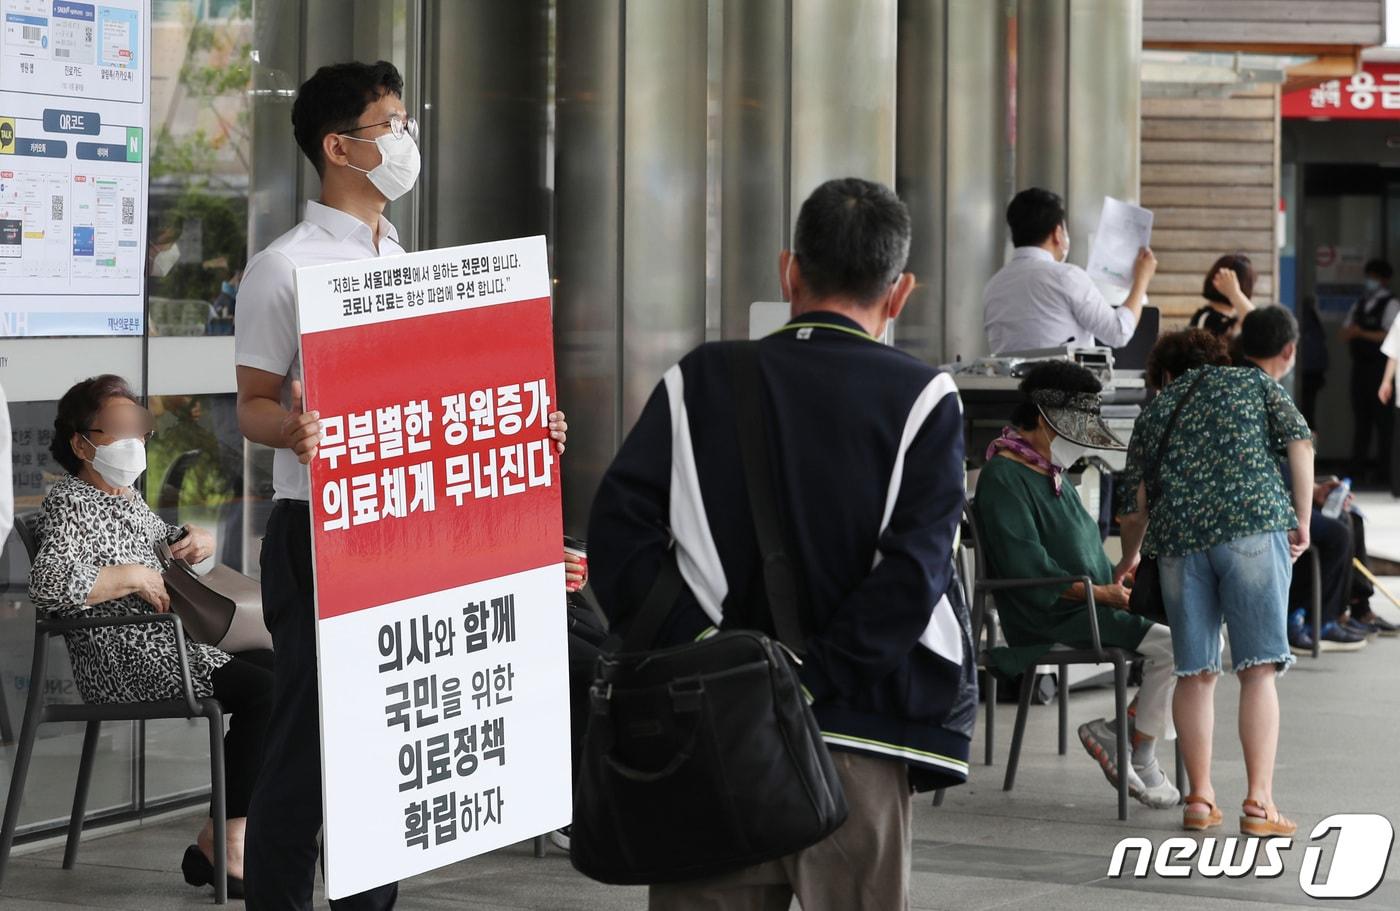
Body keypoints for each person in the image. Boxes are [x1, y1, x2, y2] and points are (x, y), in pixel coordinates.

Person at [234, 61, 574, 910]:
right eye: (390, 125)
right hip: (318, 530)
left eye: (405, 122)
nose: (406, 139)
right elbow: (251, 404)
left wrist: (522, 424)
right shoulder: (283, 267)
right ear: (337, 147)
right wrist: (293, 429)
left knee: (385, 743)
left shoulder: (404, 259)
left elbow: (436, 405)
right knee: (308, 743)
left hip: (401, 531)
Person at [589, 177, 972, 910]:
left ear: (788, 272)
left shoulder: (700, 380)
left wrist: (710, 651)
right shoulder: (925, 399)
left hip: (711, 736)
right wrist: (811, 678)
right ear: (899, 293)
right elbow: (915, 575)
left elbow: (617, 536)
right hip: (858, 745)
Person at [28, 375, 272, 898]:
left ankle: (233, 833)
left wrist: (197, 539)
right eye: (119, 431)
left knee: (281, 673)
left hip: (168, 647)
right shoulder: (70, 501)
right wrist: (130, 577)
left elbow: (165, 543)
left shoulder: (129, 500)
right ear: (81, 444)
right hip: (122, 657)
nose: (134, 443)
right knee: (266, 693)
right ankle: (225, 841)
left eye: (139, 430)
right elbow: (47, 584)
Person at [1117, 330, 1313, 837]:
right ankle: (1259, 803)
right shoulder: (1253, 383)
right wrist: (1303, 519)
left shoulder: (1156, 411)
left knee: (1195, 671)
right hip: (1253, 525)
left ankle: (1200, 799)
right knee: (1258, 670)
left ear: (1164, 374)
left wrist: (1128, 560)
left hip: (1180, 542)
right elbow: (1300, 442)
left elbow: (1135, 508)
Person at [973, 361, 1179, 808]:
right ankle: (1138, 750)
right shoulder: (1004, 477)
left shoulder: (1049, 472)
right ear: (1043, 420)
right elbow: (1027, 570)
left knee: (1200, 635)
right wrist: (1102, 593)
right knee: (1179, 646)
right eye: (1072, 429)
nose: (1080, 440)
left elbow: (1082, 552)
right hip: (1050, 616)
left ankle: (1124, 734)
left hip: (1090, 604)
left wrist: (1120, 577)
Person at [1236, 307, 1378, 651]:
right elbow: (1298, 448)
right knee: (1334, 532)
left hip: (1241, 499)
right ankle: (1310, 619)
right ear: (1289, 350)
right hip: (1252, 508)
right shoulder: (1267, 392)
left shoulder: (1230, 381)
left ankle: (1343, 610)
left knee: (1345, 518)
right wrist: (1304, 506)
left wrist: (1313, 489)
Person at [983, 187, 1157, 354]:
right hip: (1062, 376)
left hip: (1010, 377)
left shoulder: (993, 286)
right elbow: (1118, 333)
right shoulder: (1066, 276)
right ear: (1057, 233)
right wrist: (1142, 279)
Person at [1342, 259, 1397, 484]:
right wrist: (1357, 333)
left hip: (1380, 368)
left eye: (1374, 276)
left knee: (1384, 423)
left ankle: (1386, 472)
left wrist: (1361, 333)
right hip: (1360, 368)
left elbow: (1391, 338)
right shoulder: (1361, 302)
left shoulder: (1391, 304)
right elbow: (1345, 332)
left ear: (1384, 279)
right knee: (1361, 420)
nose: (1370, 281)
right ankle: (1358, 469)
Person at [1187, 253, 1255, 338]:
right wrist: (1234, 293)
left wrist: (1235, 293)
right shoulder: (1206, 318)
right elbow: (1257, 324)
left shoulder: (1239, 317)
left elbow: (1260, 324)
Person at [1297, 294, 1328, 430]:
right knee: (1308, 411)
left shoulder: (1307, 319)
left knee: (1306, 412)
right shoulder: (1312, 319)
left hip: (1308, 372)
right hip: (1312, 372)